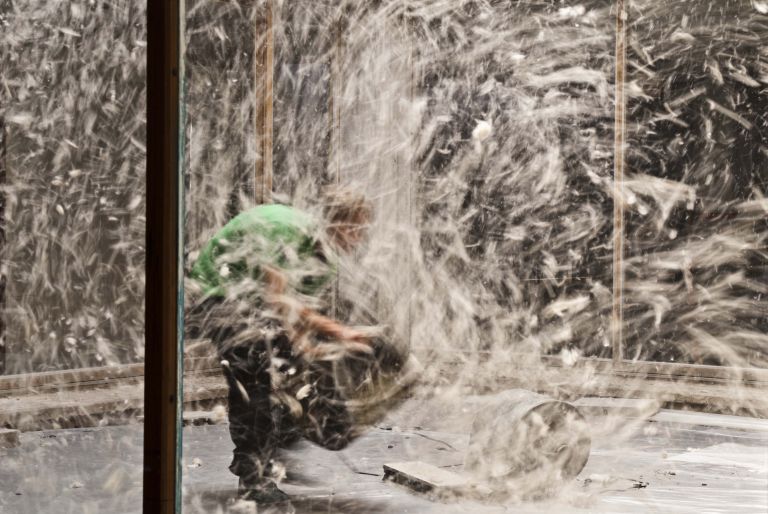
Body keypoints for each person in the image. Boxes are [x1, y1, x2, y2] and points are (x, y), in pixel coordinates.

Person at [187, 189, 378, 504]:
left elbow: (293, 320)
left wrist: (314, 353)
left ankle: (277, 445)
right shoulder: (286, 232)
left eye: (362, 232)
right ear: (333, 223)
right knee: (253, 379)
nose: (357, 239)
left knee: (289, 370)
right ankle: (254, 480)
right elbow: (277, 299)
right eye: (353, 229)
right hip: (218, 292)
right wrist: (338, 331)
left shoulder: (324, 263)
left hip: (256, 303)